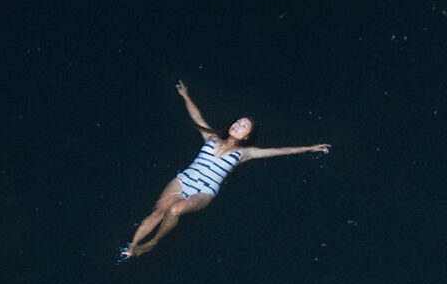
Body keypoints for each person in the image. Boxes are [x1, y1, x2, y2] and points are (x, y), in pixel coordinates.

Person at [122, 80, 327, 257]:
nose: (238, 125)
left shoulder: (245, 153)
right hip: (183, 180)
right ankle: (132, 246)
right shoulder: (211, 138)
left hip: (204, 191)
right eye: (238, 122)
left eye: (243, 126)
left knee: (175, 210)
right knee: (160, 211)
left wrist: (310, 148)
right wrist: (185, 95)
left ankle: (153, 242)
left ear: (246, 136)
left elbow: (280, 151)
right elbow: (197, 117)